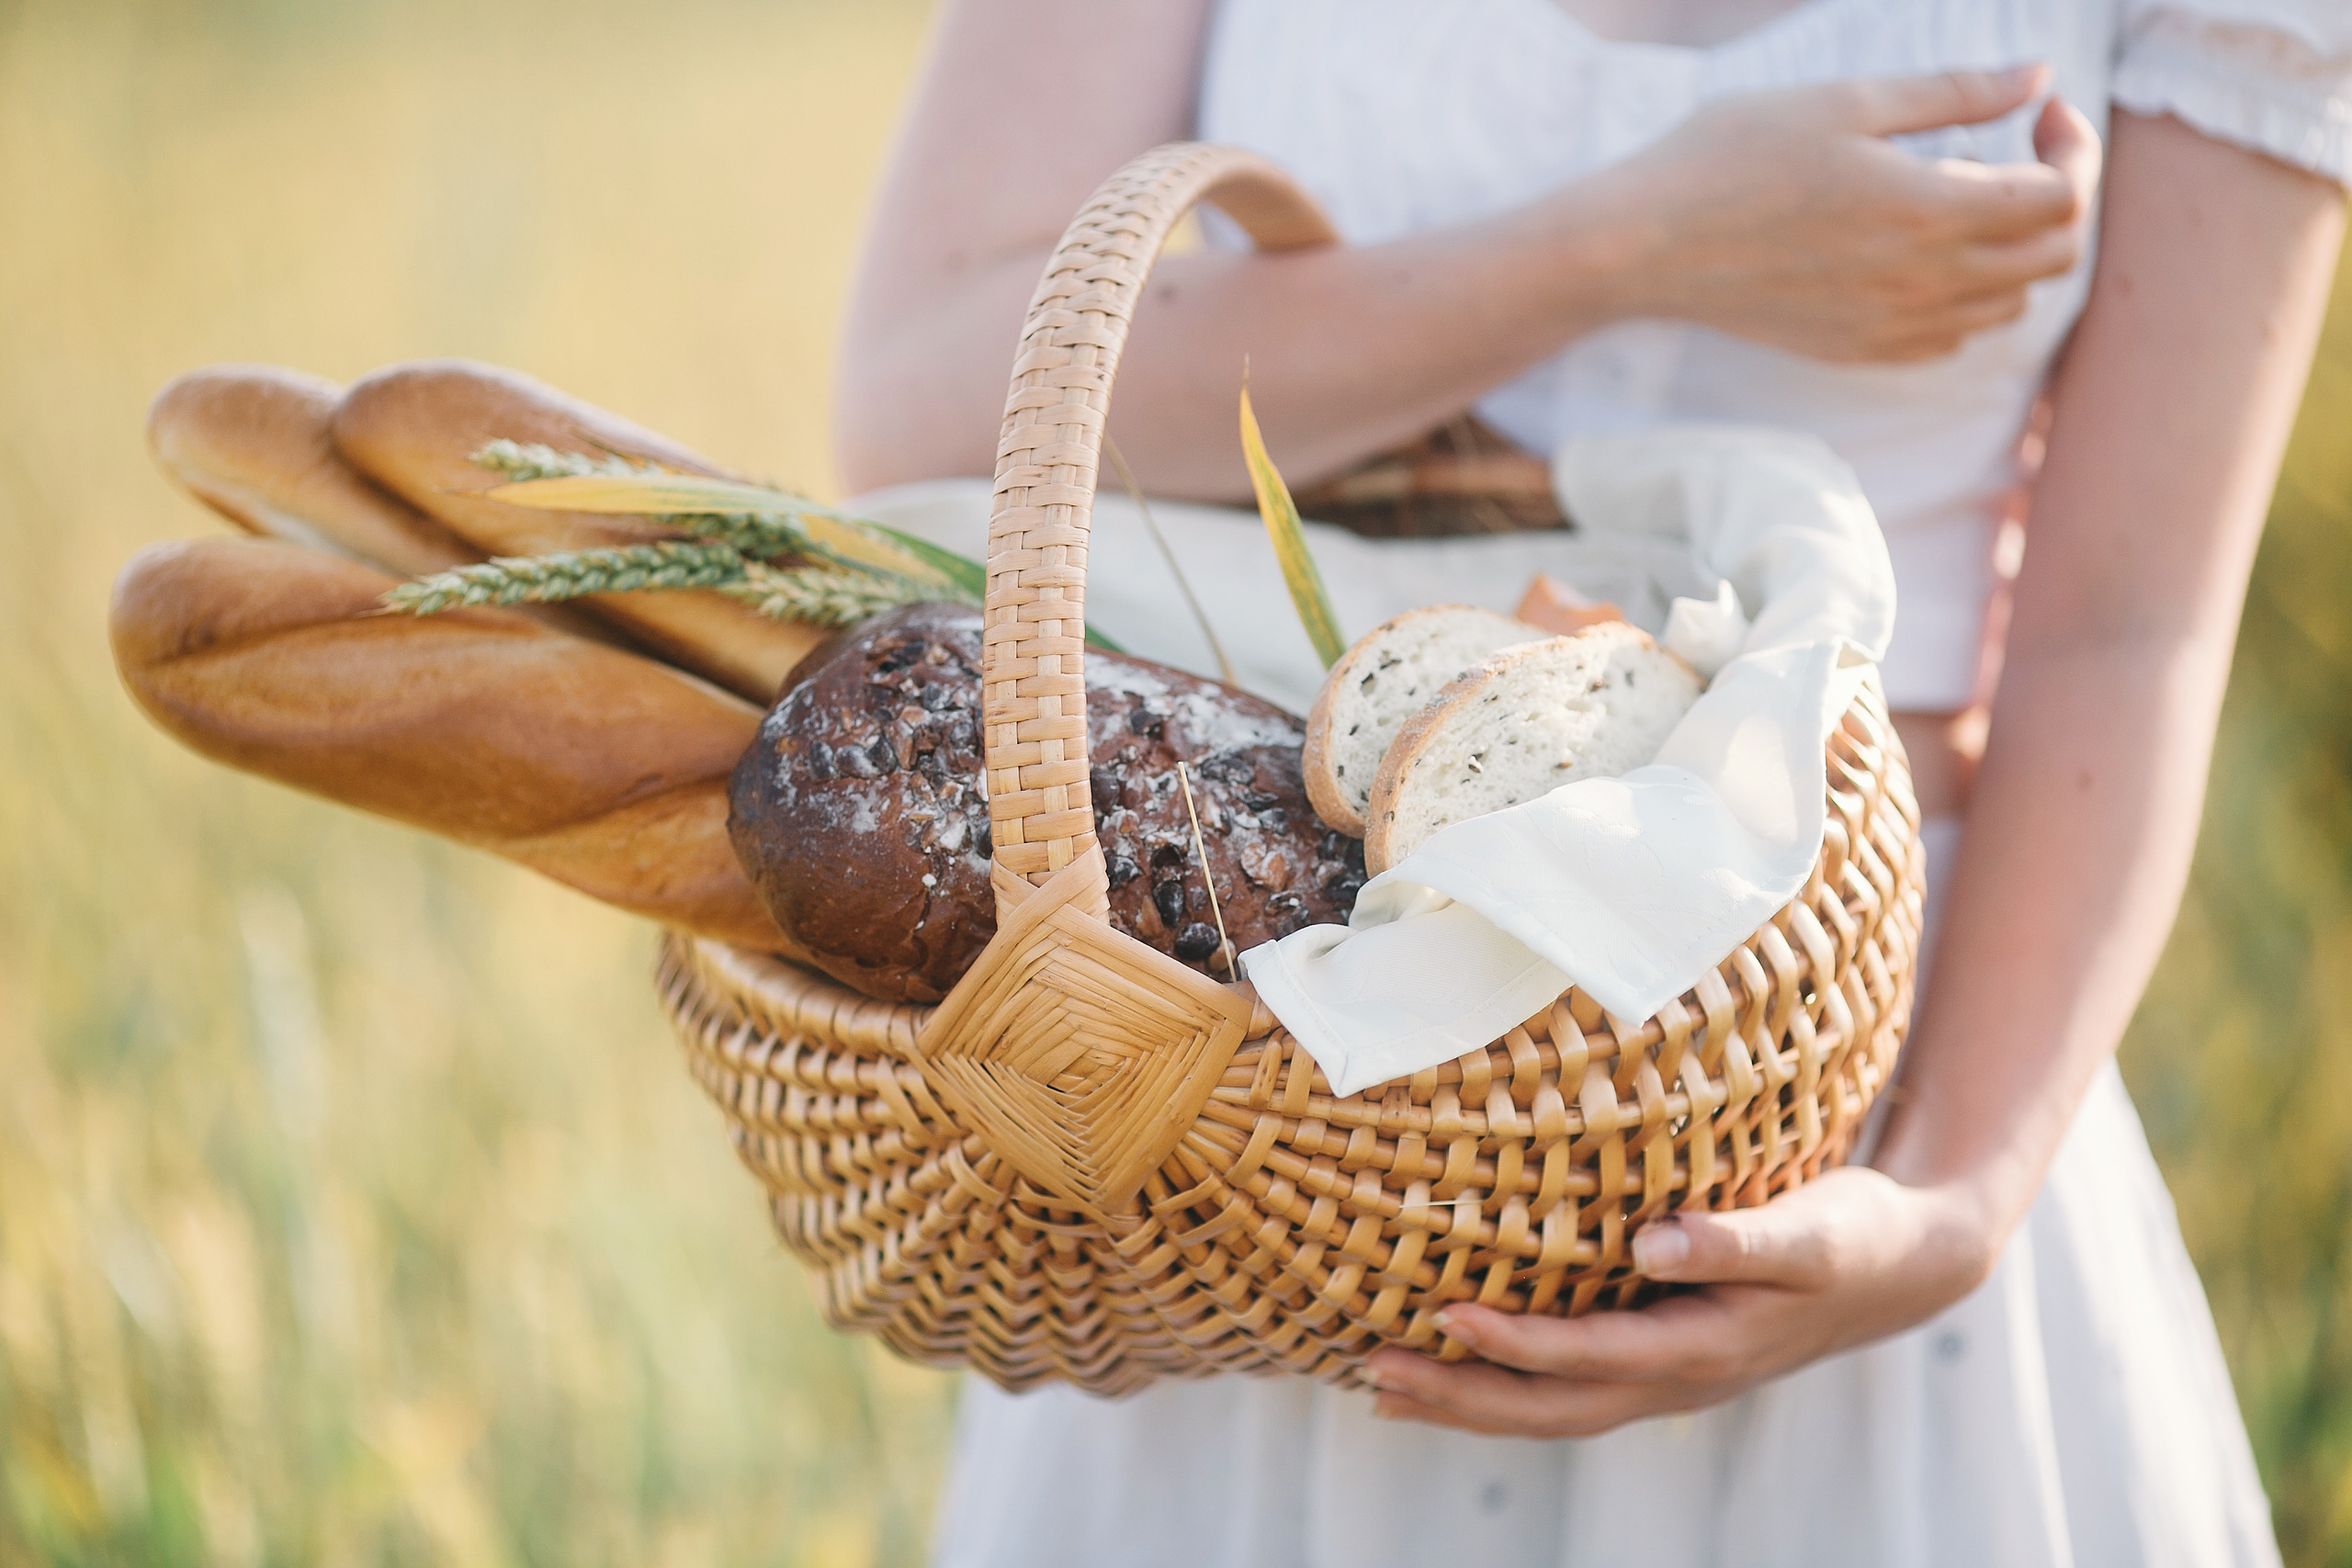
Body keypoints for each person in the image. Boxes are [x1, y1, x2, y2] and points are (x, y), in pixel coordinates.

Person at [833, 3, 2352, 1563]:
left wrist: (1952, 1204)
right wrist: (1627, 245)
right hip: (1277, 1069)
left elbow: (2126, 630)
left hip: (1869, 1070)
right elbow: (924, 398)